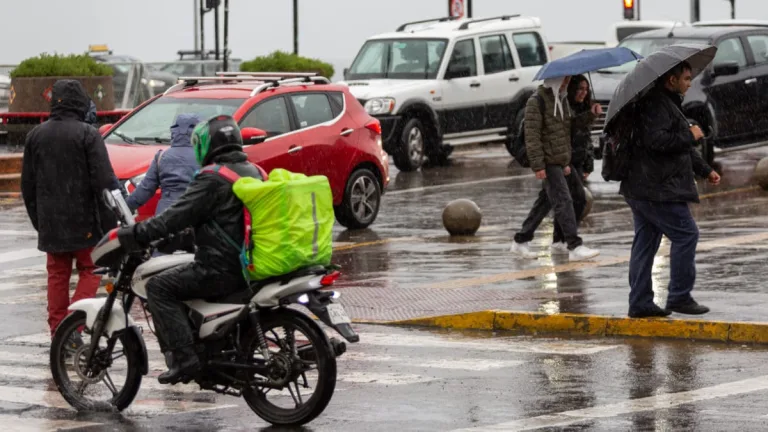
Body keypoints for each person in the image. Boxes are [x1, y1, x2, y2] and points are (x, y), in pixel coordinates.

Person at [117, 115, 261, 384]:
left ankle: (185, 359)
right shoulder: (253, 171)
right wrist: (185, 238)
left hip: (220, 267)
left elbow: (177, 215)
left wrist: (137, 233)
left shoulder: (213, 178)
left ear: (208, 145)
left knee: (159, 287)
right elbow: (225, 219)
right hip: (249, 263)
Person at [620, 61, 721, 318]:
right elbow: (658, 142)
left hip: (643, 187)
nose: (689, 83)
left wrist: (705, 169)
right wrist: (692, 136)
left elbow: (679, 149)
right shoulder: (656, 105)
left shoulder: (665, 103)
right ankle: (679, 296)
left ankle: (640, 302)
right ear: (671, 80)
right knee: (687, 235)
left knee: (645, 243)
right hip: (657, 189)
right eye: (686, 78)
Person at [20, 80, 118, 339]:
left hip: (51, 222)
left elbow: (27, 186)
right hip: (85, 221)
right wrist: (110, 224)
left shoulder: (35, 136)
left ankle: (58, 331)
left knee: (57, 274)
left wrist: (39, 221)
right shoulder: (88, 134)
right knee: (90, 269)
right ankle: (74, 324)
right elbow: (104, 182)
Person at [509, 76, 601, 261]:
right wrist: (538, 165)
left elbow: (568, 129)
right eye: (564, 81)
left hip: (560, 160)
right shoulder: (537, 102)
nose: (567, 84)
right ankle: (574, 245)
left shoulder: (561, 100)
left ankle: (521, 241)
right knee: (563, 200)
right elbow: (532, 137)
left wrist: (591, 114)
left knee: (558, 200)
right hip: (548, 161)